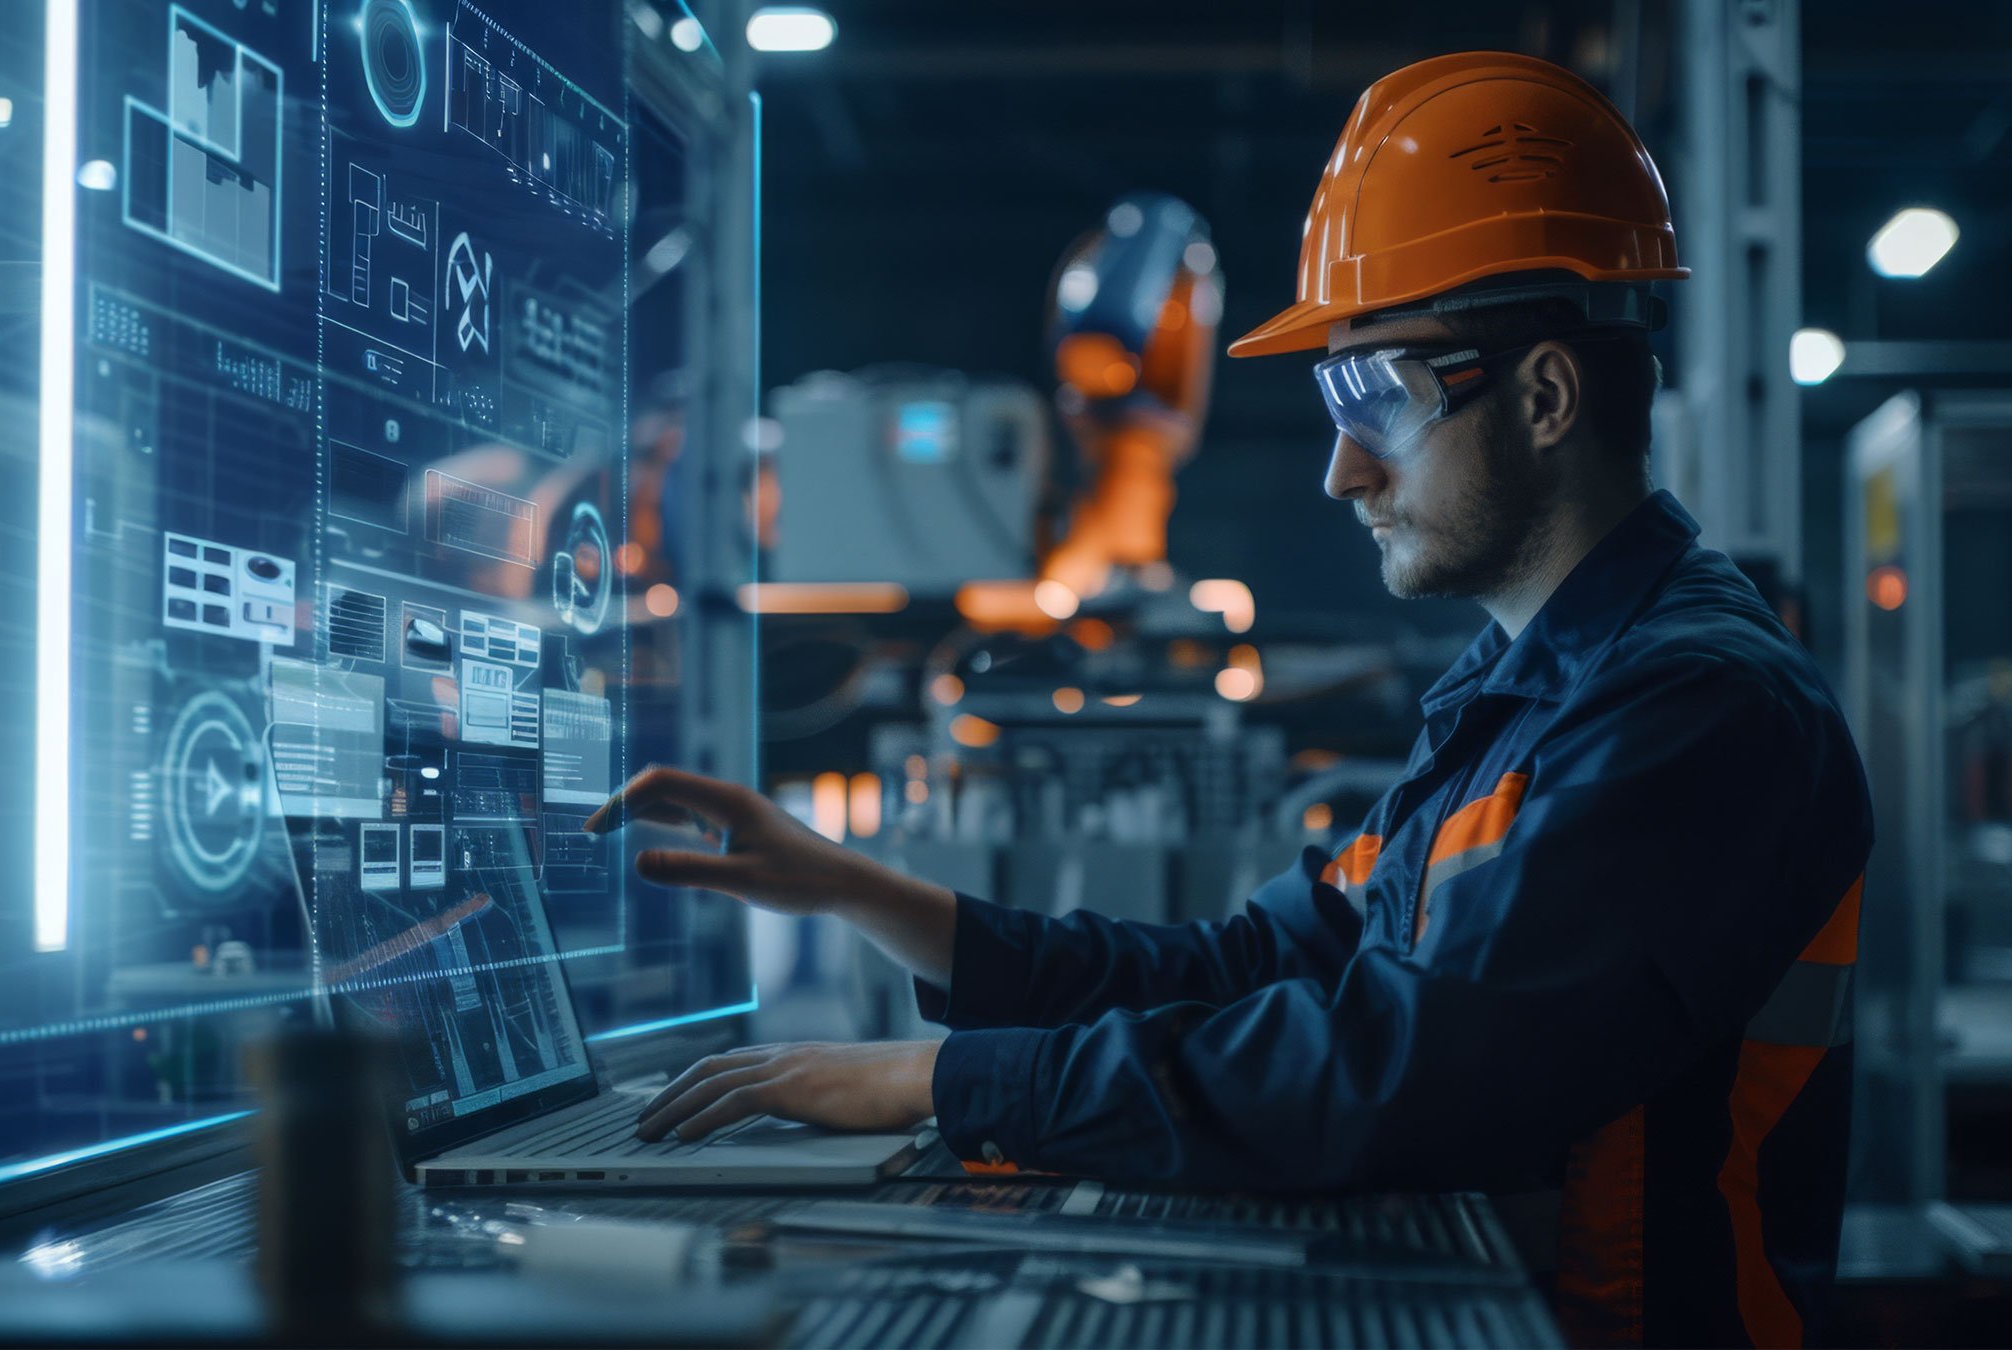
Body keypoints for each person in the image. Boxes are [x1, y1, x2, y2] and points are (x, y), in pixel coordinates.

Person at [586, 52, 1870, 1349]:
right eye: (1332, 400)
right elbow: (1255, 962)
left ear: (1545, 395)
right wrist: (858, 888)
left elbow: (1407, 1075)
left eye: (1381, 394)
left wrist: (945, 1080)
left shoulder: (1699, 707)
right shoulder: (1517, 693)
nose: (1339, 469)